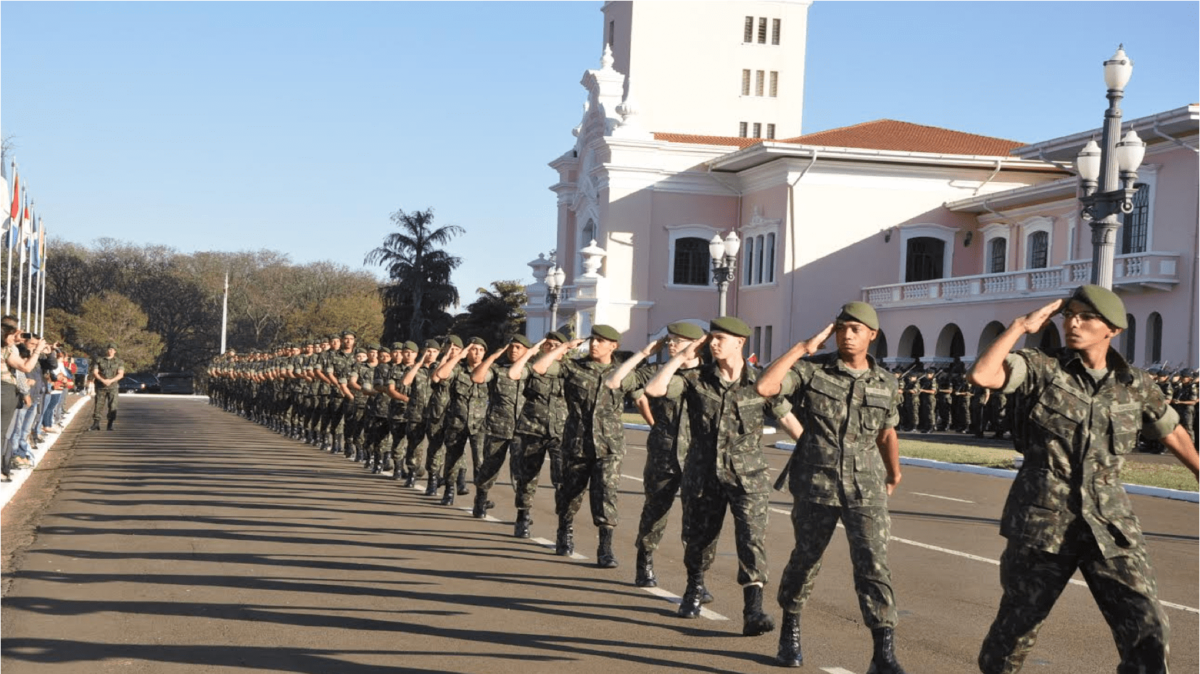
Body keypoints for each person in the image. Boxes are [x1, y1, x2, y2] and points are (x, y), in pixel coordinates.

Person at [970, 285, 1200, 674]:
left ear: (1112, 328)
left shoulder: (1135, 384)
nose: (1073, 323)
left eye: (1086, 317)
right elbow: (983, 374)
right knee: (1014, 634)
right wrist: (1019, 327)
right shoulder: (1042, 367)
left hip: (1110, 525)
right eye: (1069, 315)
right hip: (1042, 525)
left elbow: (1172, 431)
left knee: (1148, 628)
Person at [757, 301, 907, 672]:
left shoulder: (886, 381)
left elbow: (887, 432)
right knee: (806, 559)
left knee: (874, 565)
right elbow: (765, 386)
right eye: (842, 328)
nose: (847, 334)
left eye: (856, 328)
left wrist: (894, 472)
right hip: (816, 483)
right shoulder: (811, 371)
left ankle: (883, 653)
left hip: (866, 486)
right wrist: (802, 348)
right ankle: (789, 634)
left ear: (872, 335)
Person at [646, 317, 797, 638]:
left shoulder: (759, 381)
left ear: (740, 342)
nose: (713, 344)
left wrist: (814, 449)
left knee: (751, 539)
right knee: (699, 538)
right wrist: (681, 355)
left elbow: (789, 421)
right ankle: (693, 589)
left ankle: (753, 609)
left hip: (748, 477)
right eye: (710, 339)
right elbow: (654, 389)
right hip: (703, 476)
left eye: (720, 339)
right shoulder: (696, 378)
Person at [604, 321, 704, 588]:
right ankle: (644, 562)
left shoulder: (708, 376)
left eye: (678, 341)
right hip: (664, 455)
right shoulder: (656, 372)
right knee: (655, 512)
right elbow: (614, 381)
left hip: (699, 457)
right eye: (669, 340)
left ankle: (696, 579)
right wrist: (644, 353)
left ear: (696, 345)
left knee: (697, 519)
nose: (671, 344)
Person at [531, 325, 639, 568]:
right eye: (592, 340)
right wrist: (563, 348)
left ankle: (605, 547)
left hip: (610, 445)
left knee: (607, 494)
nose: (594, 344)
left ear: (614, 346)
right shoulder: (574, 367)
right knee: (571, 493)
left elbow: (640, 395)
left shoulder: (622, 373)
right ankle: (565, 530)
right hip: (577, 443)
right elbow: (539, 367)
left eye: (601, 341)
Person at [506, 332, 568, 538]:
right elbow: (514, 374)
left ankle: (564, 526)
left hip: (560, 433)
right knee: (527, 477)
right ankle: (523, 516)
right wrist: (531, 352)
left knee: (563, 480)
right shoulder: (532, 369)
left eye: (556, 345)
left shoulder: (570, 370)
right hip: (532, 430)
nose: (551, 348)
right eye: (548, 345)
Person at [471, 335, 531, 519]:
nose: (514, 350)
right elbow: (478, 377)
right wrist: (492, 358)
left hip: (523, 430)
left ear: (526, 351)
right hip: (498, 428)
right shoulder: (497, 371)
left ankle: (523, 514)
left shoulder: (533, 372)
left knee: (522, 472)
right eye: (511, 347)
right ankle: (481, 499)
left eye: (518, 347)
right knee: (489, 467)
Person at [88, 342, 125, 431]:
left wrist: (111, 381)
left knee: (113, 405)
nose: (110, 351)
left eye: (112, 350)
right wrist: (102, 380)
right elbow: (95, 372)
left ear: (115, 351)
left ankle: (110, 424)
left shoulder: (119, 362)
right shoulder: (99, 360)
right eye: (109, 349)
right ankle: (96, 423)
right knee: (98, 405)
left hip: (113, 387)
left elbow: (120, 374)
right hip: (101, 386)